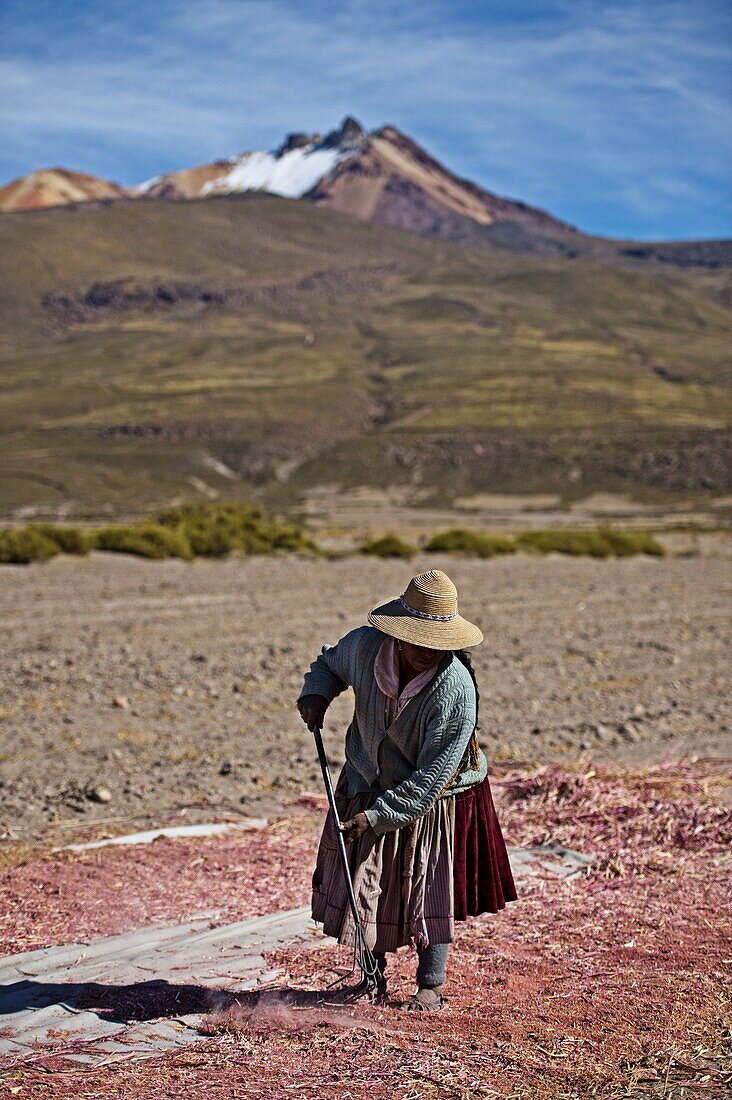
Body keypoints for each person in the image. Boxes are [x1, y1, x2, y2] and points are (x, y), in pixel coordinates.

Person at [296, 568, 517, 1011]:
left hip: (435, 794)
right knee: (366, 879)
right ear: (399, 633)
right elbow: (328, 664)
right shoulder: (364, 648)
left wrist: (378, 817)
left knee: (426, 883)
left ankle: (430, 985)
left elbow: (433, 775)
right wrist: (317, 693)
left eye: (437, 645)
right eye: (417, 640)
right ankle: (371, 977)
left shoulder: (454, 691)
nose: (425, 652)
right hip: (367, 775)